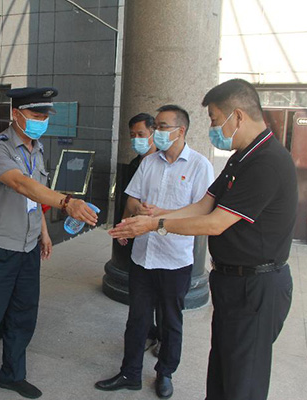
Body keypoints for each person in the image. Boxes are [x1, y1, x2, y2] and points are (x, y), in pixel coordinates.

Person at [109, 79, 297, 400]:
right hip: (231, 282)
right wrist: (154, 217)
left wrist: (155, 225)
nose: (212, 128)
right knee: (223, 370)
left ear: (237, 116)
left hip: (255, 287)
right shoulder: (241, 157)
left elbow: (215, 223)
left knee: (242, 381)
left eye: (214, 119)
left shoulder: (267, 162)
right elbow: (203, 205)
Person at [0, 87, 98, 400]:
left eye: (45, 116)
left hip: (27, 246)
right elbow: (21, 184)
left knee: (23, 315)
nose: (41, 122)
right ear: (16, 114)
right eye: (36, 115)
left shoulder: (37, 149)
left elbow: (35, 197)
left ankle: (12, 375)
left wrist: (43, 232)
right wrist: (67, 202)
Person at [97, 105, 214, 399]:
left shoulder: (199, 166)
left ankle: (165, 373)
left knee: (171, 322)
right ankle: (130, 373)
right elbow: (132, 199)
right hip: (143, 256)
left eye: (162, 127)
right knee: (137, 319)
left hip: (175, 259)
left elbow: (201, 213)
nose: (156, 132)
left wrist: (161, 216)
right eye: (157, 126)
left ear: (180, 130)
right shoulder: (149, 162)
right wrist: (137, 213)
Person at [116, 112, 162, 355]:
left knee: (163, 297)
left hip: (164, 237)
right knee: (141, 297)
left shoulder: (166, 162)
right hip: (140, 239)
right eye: (132, 135)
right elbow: (130, 198)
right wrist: (124, 225)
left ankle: (163, 336)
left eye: (141, 134)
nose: (136, 140)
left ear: (154, 133)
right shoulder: (137, 163)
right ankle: (148, 332)